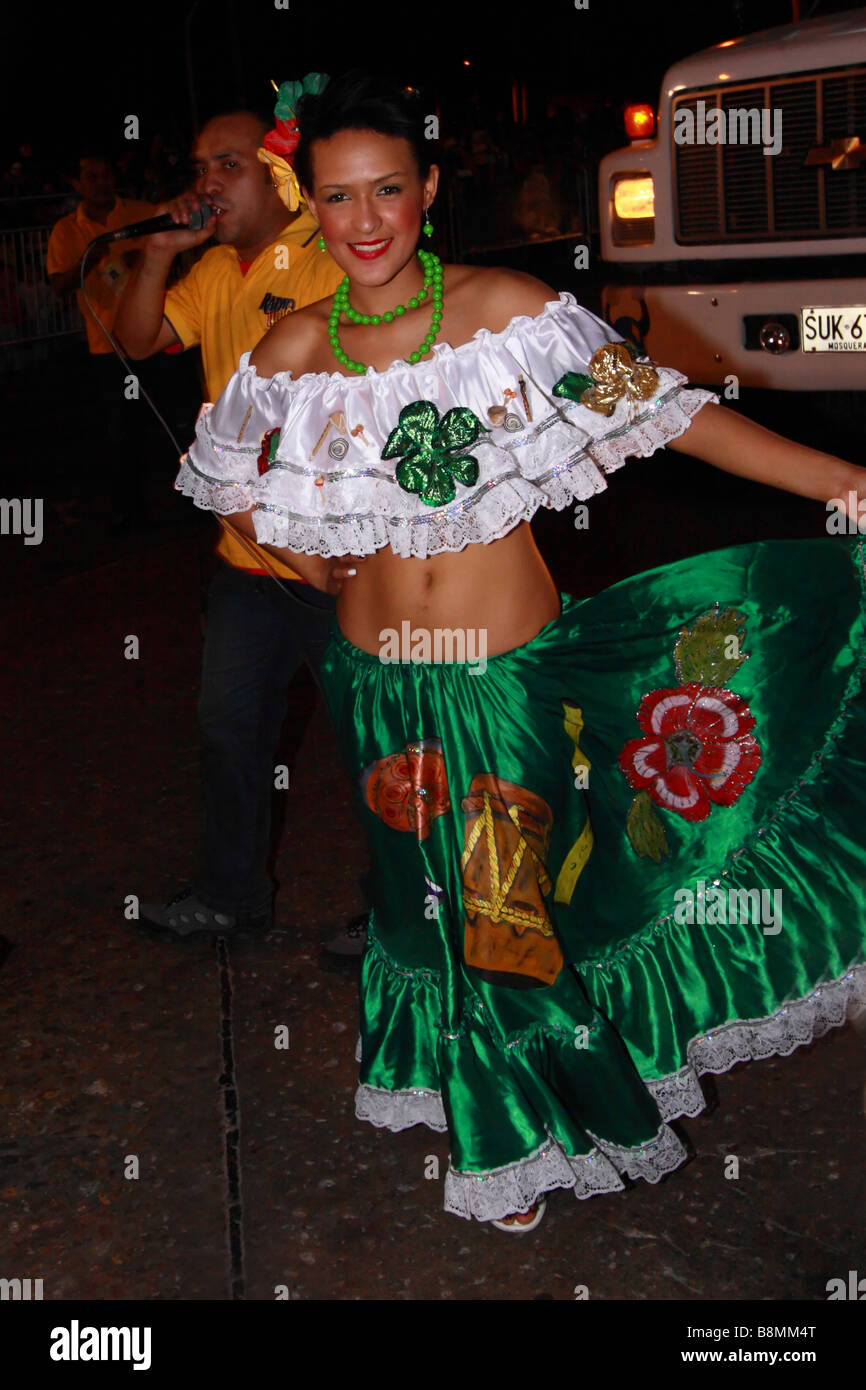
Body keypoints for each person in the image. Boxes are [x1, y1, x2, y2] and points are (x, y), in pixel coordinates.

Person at [175, 72, 866, 1231]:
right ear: (312, 203)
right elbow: (224, 482)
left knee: (509, 914)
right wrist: (314, 563)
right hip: (375, 687)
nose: (363, 222)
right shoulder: (290, 346)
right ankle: (482, 1104)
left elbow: (667, 408)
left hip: (504, 681)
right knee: (415, 914)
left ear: (427, 188)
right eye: (339, 197)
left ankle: (517, 1127)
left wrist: (844, 479)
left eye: (387, 190)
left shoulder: (505, 313)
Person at [114, 103, 365, 952]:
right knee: (228, 731)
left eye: (229, 165)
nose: (207, 182)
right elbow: (138, 337)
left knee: (378, 737)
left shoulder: (332, 258)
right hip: (243, 556)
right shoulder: (218, 271)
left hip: (335, 554)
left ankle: (405, 913)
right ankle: (230, 897)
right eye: (201, 166)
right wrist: (156, 254)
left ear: (279, 176)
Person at [46, 152, 154, 527]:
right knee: (120, 426)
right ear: (76, 184)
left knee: (174, 417)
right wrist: (89, 260)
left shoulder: (140, 212)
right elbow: (59, 284)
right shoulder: (67, 230)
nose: (99, 182)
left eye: (104, 174)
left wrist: (151, 257)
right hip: (108, 347)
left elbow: (178, 243)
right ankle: (129, 510)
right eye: (90, 176)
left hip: (159, 336)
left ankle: (192, 500)